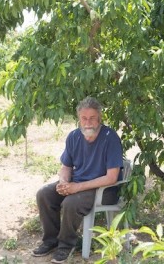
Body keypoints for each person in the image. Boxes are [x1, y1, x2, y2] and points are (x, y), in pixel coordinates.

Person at [32, 96, 123, 263]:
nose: (88, 122)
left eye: (92, 118)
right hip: (77, 184)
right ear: (79, 119)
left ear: (99, 118)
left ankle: (66, 245)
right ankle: (51, 241)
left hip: (103, 189)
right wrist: (64, 182)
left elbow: (112, 177)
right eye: (84, 118)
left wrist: (77, 187)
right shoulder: (73, 136)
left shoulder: (110, 137)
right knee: (44, 194)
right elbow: (66, 166)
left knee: (70, 203)